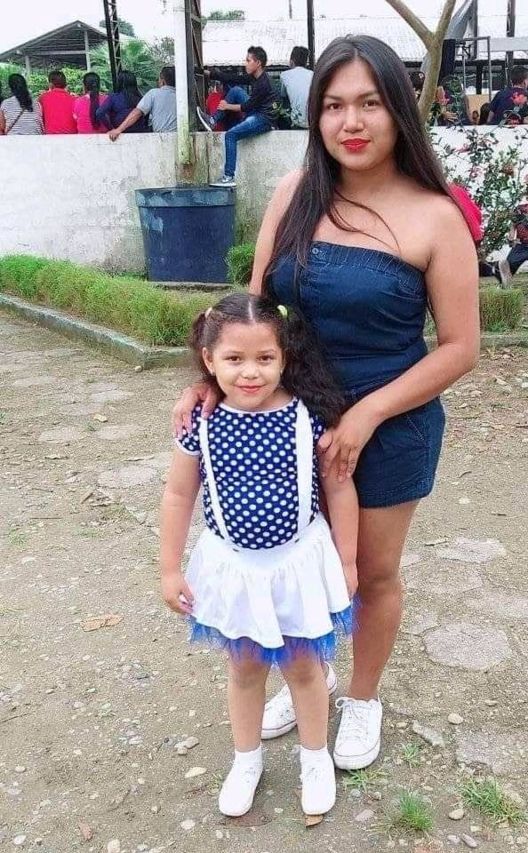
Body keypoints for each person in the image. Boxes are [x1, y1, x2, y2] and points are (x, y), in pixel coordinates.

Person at [173, 35, 479, 772]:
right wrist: (209, 380)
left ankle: (362, 697)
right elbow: (253, 310)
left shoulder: (435, 216)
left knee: (368, 571)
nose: (352, 122)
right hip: (287, 419)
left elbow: (459, 347)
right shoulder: (294, 194)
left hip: (390, 423)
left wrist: (367, 414)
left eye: (370, 103)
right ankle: (308, 677)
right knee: (288, 557)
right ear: (316, 117)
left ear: (398, 111)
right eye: (334, 105)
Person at [162, 293, 358, 817]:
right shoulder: (200, 423)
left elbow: (339, 488)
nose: (250, 372)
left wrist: (347, 560)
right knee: (245, 668)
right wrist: (168, 567)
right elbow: (179, 494)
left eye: (264, 358)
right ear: (209, 360)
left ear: (284, 357)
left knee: (303, 667)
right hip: (235, 569)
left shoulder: (307, 417)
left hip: (296, 565)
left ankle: (314, 758)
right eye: (234, 359)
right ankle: (246, 760)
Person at [197, 47, 279, 186]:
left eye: (248, 60)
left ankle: (229, 176)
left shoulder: (264, 84)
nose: (245, 63)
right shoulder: (255, 77)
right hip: (257, 111)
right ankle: (212, 120)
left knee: (231, 135)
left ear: (258, 63)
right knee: (235, 90)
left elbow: (247, 107)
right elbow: (233, 78)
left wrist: (227, 106)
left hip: (264, 119)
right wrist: (208, 73)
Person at [449, 183, 503, 285]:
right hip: (473, 232)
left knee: (458, 266)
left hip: (459, 234)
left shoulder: (436, 193)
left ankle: (494, 269)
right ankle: (495, 268)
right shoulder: (456, 189)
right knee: (467, 263)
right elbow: (477, 213)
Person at [108, 66, 177, 140]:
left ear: (163, 81)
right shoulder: (181, 95)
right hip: (180, 135)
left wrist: (118, 130)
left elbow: (138, 112)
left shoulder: (154, 93)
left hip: (161, 138)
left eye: (159, 79)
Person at [280, 46, 314, 129]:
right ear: (305, 63)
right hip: (314, 121)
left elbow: (282, 95)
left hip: (298, 123)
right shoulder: (313, 74)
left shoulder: (284, 75)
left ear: (291, 61)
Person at [39, 70, 76, 134]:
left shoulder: (42, 98)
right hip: (72, 136)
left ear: (50, 84)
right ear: (65, 84)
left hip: (50, 136)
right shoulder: (75, 99)